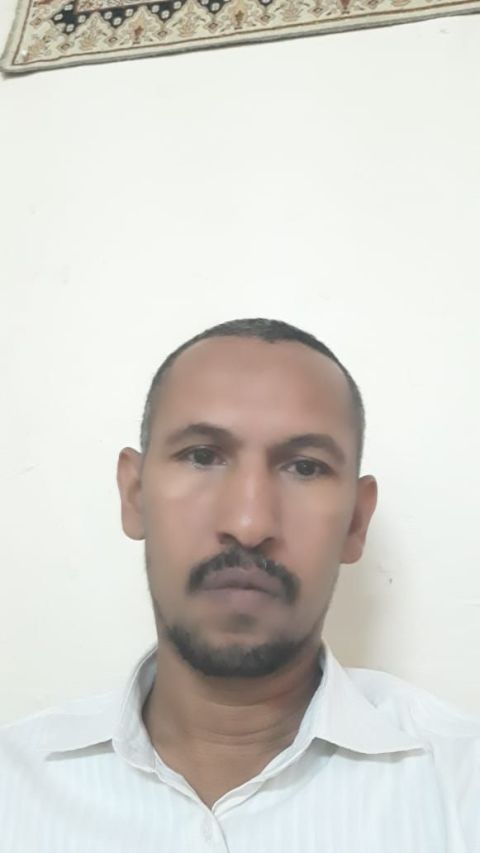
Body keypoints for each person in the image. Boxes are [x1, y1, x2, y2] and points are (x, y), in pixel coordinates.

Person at [1, 317, 479, 852]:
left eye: (305, 467)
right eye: (202, 456)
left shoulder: (461, 788)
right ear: (134, 496)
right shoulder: (13, 791)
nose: (249, 525)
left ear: (355, 522)